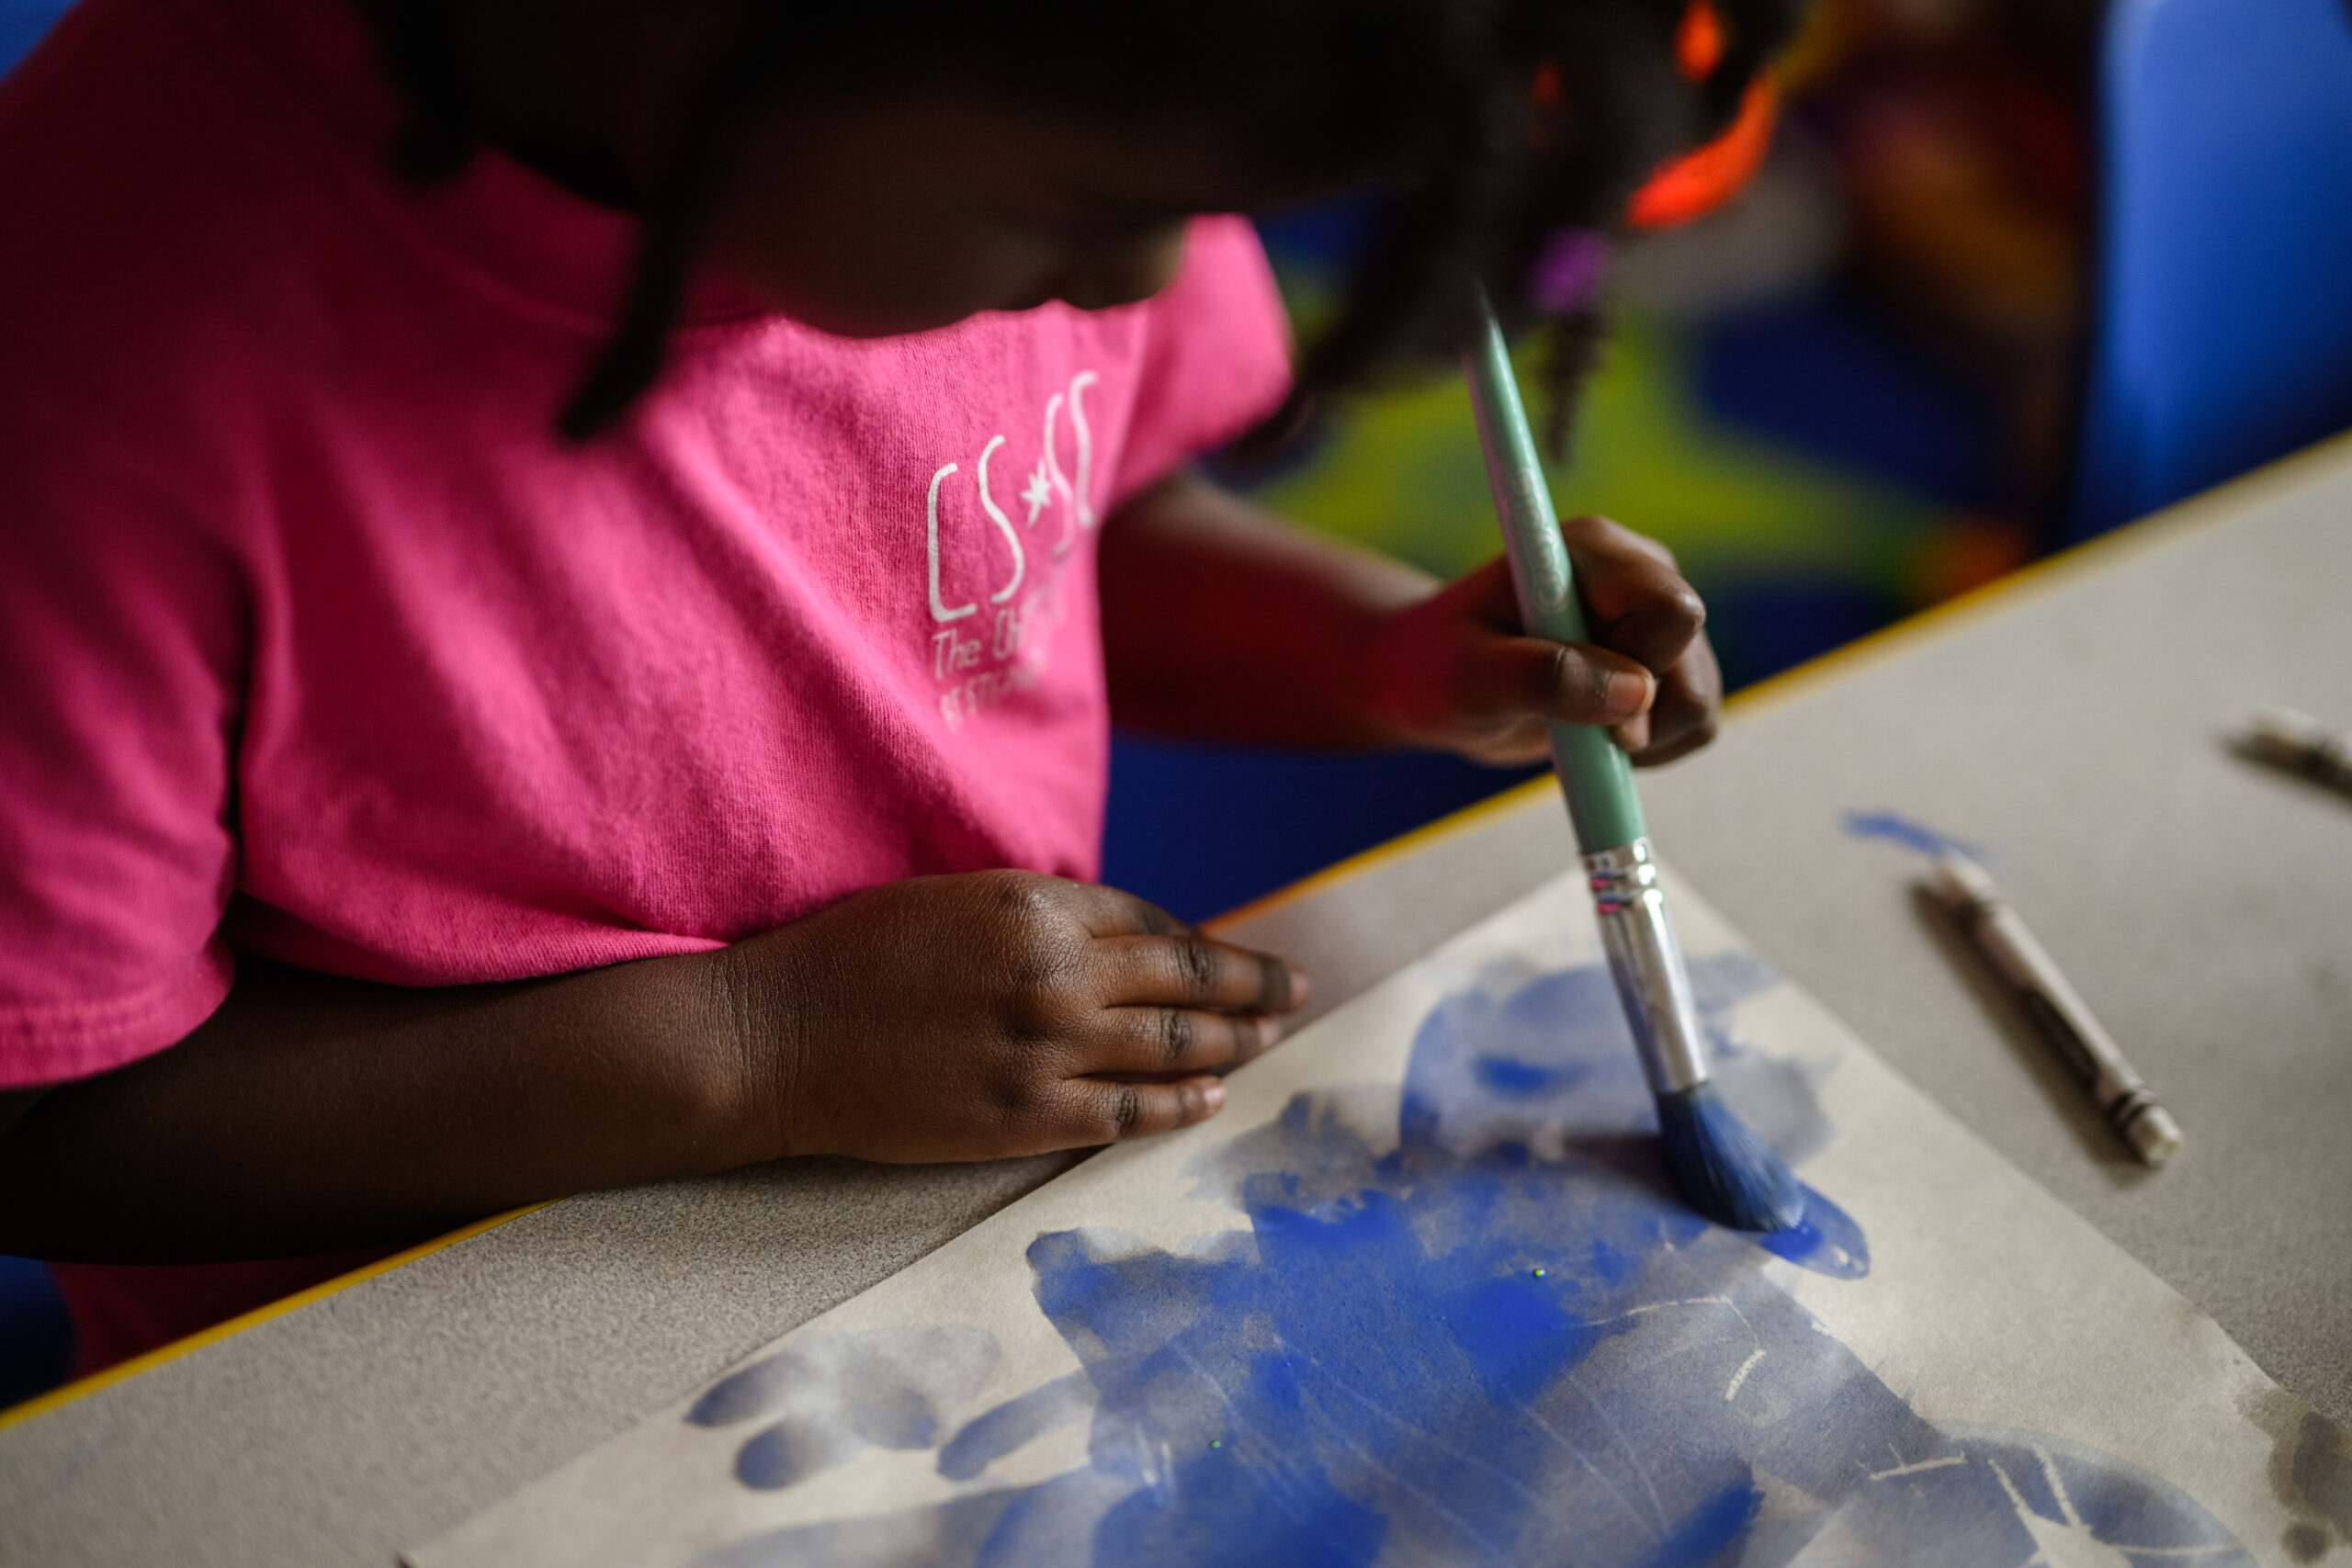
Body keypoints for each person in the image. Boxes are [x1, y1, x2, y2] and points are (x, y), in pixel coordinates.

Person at [0, 0, 1796, 1373]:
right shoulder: (94, 375)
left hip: (932, 1235)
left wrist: (1376, 656)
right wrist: (751, 1049)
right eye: (1095, 211)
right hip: (392, 1372)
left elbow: (1042, 524)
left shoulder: (1066, 92)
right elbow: (52, 1126)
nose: (1147, 277)